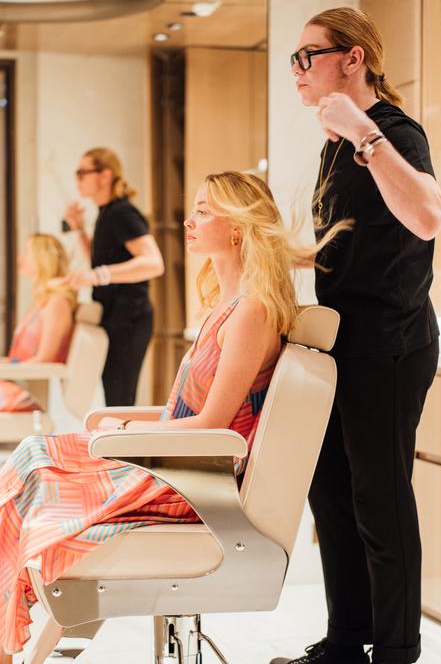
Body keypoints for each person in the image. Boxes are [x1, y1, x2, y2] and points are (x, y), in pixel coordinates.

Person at [0, 171, 347, 661]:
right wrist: (132, 432)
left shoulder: (252, 312)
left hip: (187, 483)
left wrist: (131, 433)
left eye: (204, 210)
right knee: (34, 462)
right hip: (174, 464)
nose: (189, 219)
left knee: (36, 460)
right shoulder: (226, 306)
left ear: (238, 228)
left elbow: (213, 427)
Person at [271, 8, 441, 664]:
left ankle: (397, 648)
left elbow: (426, 216)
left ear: (352, 59)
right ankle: (346, 639)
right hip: (342, 340)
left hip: (391, 341)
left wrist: (366, 134)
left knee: (379, 494)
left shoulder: (392, 131)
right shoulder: (332, 144)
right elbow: (346, 247)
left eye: (304, 56)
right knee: (330, 490)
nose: (296, 71)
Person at [63, 147, 164, 406]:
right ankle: (114, 446)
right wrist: (79, 230)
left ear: (105, 175)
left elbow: (154, 263)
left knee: (120, 397)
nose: (78, 180)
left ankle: (121, 447)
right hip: (115, 315)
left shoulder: (122, 213)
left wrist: (99, 275)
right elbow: (101, 261)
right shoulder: (106, 213)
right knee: (113, 395)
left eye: (82, 173)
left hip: (129, 318)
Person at [0, 234, 76, 412]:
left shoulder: (57, 302)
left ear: (42, 258)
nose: (20, 258)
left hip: (23, 394)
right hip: (16, 382)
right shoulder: (42, 301)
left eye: (27, 252)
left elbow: (44, 359)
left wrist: (8, 370)